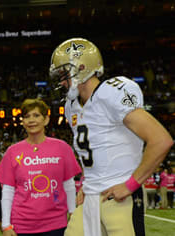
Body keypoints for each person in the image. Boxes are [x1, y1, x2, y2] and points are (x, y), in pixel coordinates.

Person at [49, 38, 173, 236]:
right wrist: (87, 183)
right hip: (90, 194)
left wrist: (130, 184)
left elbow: (161, 140)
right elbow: (92, 150)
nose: (62, 81)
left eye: (65, 74)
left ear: (81, 67)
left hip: (120, 194)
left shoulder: (112, 92)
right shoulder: (71, 106)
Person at [0, 98, 82, 236]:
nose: (31, 120)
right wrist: (6, 225)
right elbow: (8, 191)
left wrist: (73, 213)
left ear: (46, 120)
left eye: (36, 115)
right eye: (27, 116)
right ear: (22, 122)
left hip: (56, 224)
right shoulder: (12, 152)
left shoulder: (62, 148)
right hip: (22, 225)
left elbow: (69, 185)